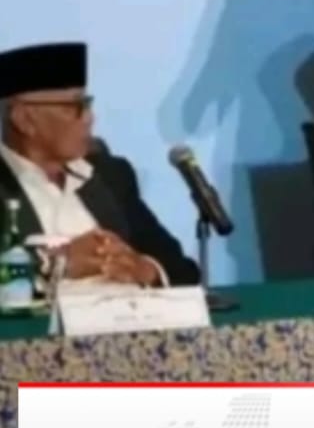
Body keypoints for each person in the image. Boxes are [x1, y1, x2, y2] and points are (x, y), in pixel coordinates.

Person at [0, 42, 198, 286]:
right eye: (75, 107)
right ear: (23, 119)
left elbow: (183, 271)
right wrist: (56, 264)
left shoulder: (110, 176)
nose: (89, 118)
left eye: (88, 104)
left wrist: (145, 270)